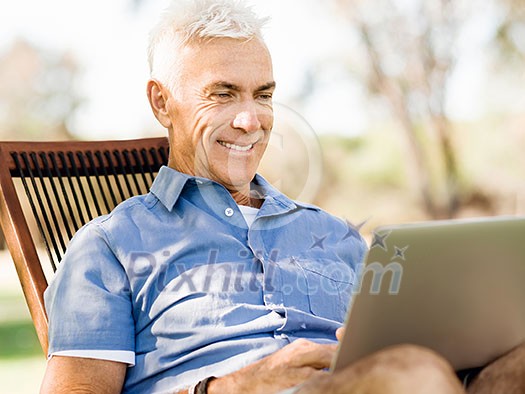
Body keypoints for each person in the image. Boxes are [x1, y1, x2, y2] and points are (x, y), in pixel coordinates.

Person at [40, 1, 525, 393]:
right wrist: (227, 389)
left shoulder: (334, 235)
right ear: (162, 102)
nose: (251, 121)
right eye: (223, 94)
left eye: (264, 95)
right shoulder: (108, 247)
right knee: (410, 376)